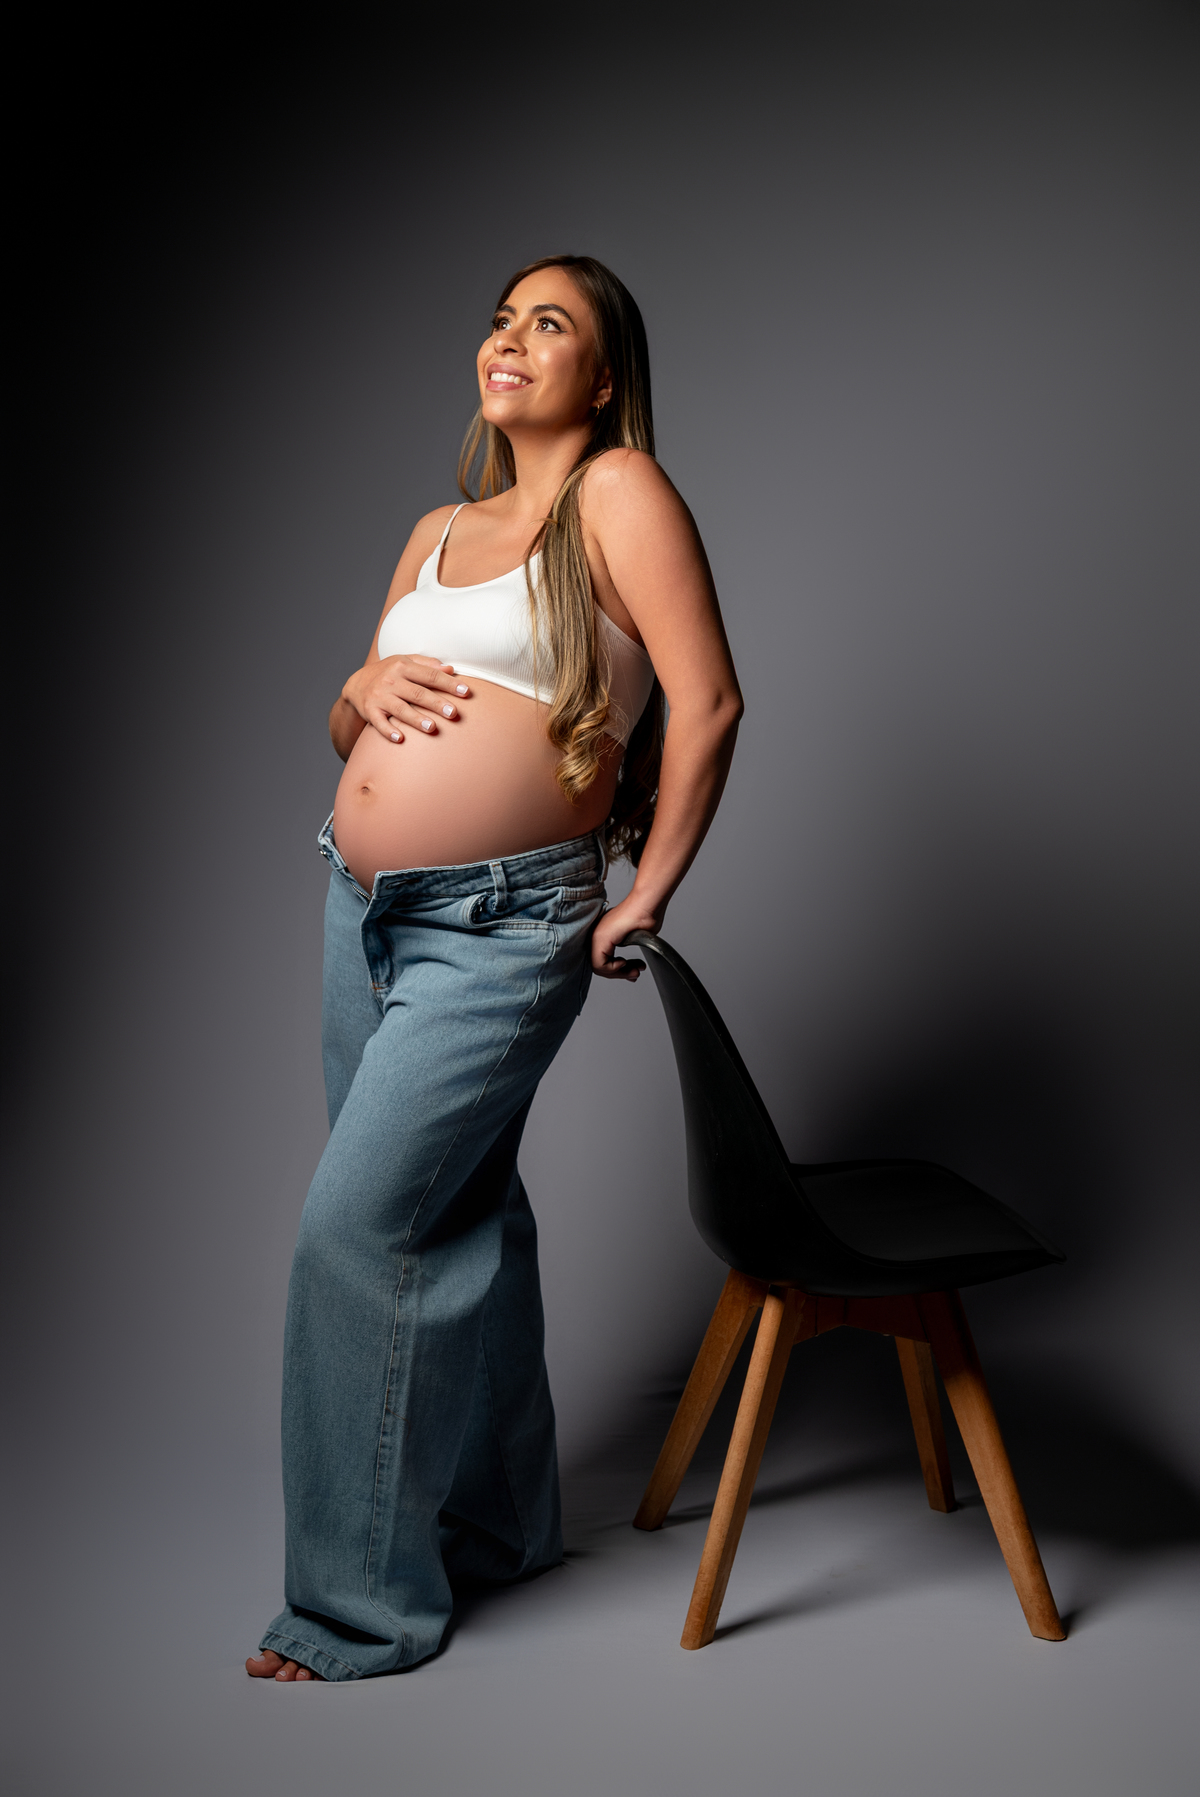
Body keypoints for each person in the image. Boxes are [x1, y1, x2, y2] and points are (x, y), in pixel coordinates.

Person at [246, 255, 743, 1681]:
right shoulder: (438, 528)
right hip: (360, 905)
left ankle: (358, 1608)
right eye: (502, 316)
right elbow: (359, 721)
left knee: (357, 1228)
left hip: (503, 923)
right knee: (458, 1207)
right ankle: (507, 1519)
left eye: (551, 322)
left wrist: (648, 892)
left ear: (604, 373)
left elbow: (709, 700)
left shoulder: (620, 494)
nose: (511, 338)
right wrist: (353, 693)